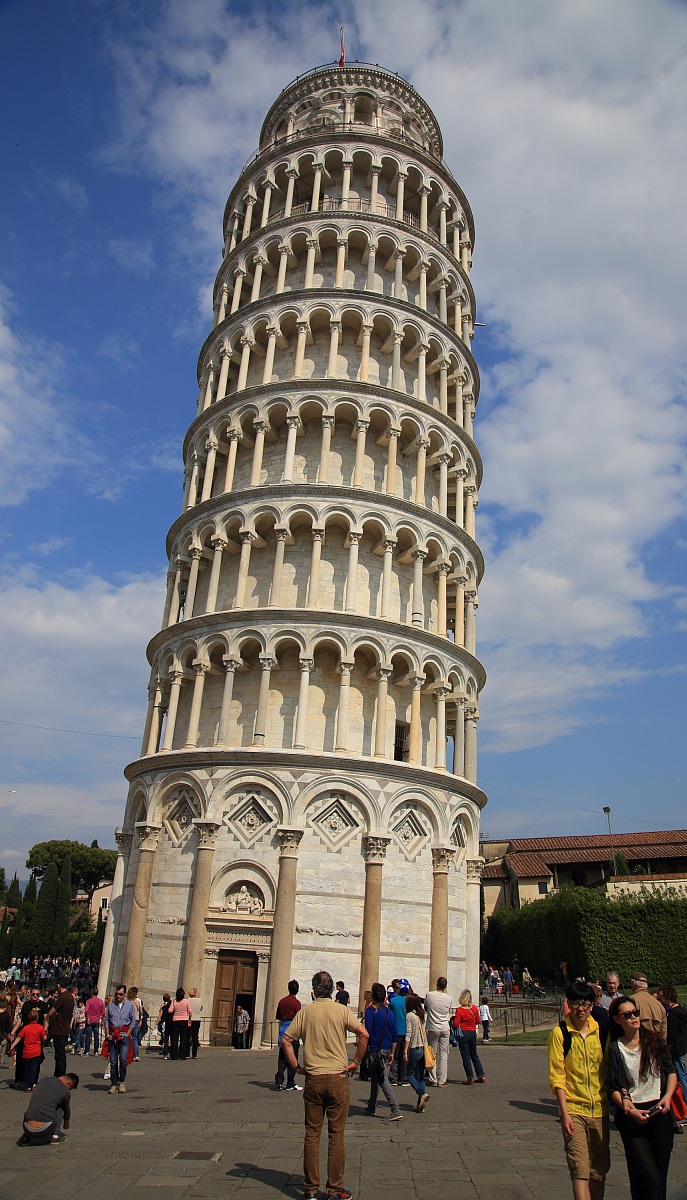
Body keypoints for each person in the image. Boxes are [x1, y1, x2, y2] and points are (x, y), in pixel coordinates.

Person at [281, 969, 369, 1200]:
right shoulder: (341, 1010)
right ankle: (335, 1189)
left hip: (313, 1079)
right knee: (336, 1135)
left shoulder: (305, 1012)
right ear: (332, 990)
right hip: (338, 1078)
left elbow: (286, 1040)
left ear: (312, 990)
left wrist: (297, 1067)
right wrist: (355, 1063)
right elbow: (364, 1035)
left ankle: (310, 1190)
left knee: (312, 1134)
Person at [608, 994, 676, 1200]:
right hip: (633, 1117)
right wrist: (629, 1109)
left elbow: (671, 1072)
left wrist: (668, 1097)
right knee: (648, 1177)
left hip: (660, 1112)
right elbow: (613, 1087)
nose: (633, 1017)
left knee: (659, 1178)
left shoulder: (653, 1040)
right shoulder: (615, 1048)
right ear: (617, 1019)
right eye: (627, 1015)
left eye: (635, 1013)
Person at [548, 981, 609, 1200]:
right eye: (575, 1003)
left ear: (592, 1005)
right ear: (568, 1004)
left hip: (600, 1110)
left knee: (599, 1170)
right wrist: (564, 1113)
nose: (580, 1008)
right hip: (574, 1109)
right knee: (580, 1168)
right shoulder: (560, 1034)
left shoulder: (601, 1032)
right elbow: (557, 1075)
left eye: (584, 1003)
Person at [363, 982, 401, 1120]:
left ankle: (395, 1108)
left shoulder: (370, 1011)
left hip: (375, 1049)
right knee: (375, 1077)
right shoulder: (389, 1012)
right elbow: (394, 1033)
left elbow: (368, 1032)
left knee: (382, 1079)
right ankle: (371, 1106)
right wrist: (392, 1052)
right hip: (386, 1049)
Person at [18, 1071, 79, 1145]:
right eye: (70, 1088)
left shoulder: (43, 1080)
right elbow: (67, 1110)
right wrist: (66, 1123)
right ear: (68, 1083)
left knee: (38, 1102)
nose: (69, 1090)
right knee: (61, 1106)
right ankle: (55, 1137)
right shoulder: (65, 1091)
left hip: (27, 1127)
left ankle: (25, 1138)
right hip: (45, 1129)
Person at [656, 983, 687, 1100]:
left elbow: (670, 1033)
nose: (660, 999)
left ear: (667, 996)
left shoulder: (673, 1014)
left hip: (675, 1049)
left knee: (680, 1076)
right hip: (682, 1047)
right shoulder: (680, 1010)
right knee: (683, 1074)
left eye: (661, 996)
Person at [105, 984, 136, 1093]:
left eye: (120, 994)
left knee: (123, 1060)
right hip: (113, 1036)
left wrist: (128, 1033)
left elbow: (133, 1020)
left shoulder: (129, 1005)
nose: (118, 996)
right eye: (117, 994)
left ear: (125, 995)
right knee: (113, 1062)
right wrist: (107, 1034)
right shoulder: (111, 1006)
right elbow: (107, 1021)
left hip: (124, 1036)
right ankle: (113, 1084)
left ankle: (121, 1082)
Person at [424, 976, 453, 1087]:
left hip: (433, 1027)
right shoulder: (449, 998)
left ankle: (433, 1079)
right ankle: (442, 1080)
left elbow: (426, 1008)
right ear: (445, 986)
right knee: (444, 1054)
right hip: (445, 1027)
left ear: (437, 984)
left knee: (432, 1053)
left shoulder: (430, 995)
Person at [10, 1007, 47, 1091]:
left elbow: (18, 1038)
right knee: (34, 1069)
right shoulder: (40, 1027)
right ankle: (32, 1084)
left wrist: (12, 1047)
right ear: (37, 1018)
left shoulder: (25, 1028)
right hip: (36, 1052)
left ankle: (27, 1085)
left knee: (26, 1069)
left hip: (26, 1052)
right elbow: (44, 1038)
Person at [453, 989, 486, 1084]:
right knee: (474, 1054)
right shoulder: (474, 1008)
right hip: (472, 1032)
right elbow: (478, 1021)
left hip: (463, 1033)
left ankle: (470, 1078)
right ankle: (481, 1075)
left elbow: (456, 1024)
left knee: (466, 1056)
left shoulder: (459, 1010)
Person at [403, 993, 429, 1113]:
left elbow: (408, 1034)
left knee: (409, 1074)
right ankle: (420, 1104)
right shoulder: (421, 1014)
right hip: (423, 1048)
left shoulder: (409, 1015)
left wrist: (405, 1051)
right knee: (420, 1077)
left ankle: (422, 1093)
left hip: (414, 1047)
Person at [275, 980, 302, 1091]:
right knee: (292, 1057)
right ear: (297, 990)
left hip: (283, 1030)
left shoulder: (282, 1001)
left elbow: (278, 1016)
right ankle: (290, 1082)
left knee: (282, 1057)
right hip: (292, 1032)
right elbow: (298, 1019)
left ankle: (279, 1081)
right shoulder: (296, 1003)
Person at [46, 978, 74, 1077]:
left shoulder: (63, 998)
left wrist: (51, 1014)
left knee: (59, 1055)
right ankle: (58, 1073)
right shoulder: (70, 997)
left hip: (59, 1028)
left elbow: (51, 1012)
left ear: (58, 986)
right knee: (60, 1053)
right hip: (65, 1027)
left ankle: (60, 1074)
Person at [630, 972, 667, 1040]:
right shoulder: (659, 1005)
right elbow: (663, 1032)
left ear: (633, 983)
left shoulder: (630, 1001)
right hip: (656, 1046)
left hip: (639, 1046)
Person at [388, 978, 409, 1086]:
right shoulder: (409, 1001)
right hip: (406, 1031)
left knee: (394, 1055)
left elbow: (390, 1016)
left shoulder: (393, 1001)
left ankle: (393, 1077)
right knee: (404, 1054)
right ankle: (404, 1077)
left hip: (395, 1031)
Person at [169, 987, 193, 1059]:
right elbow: (190, 1011)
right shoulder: (186, 1001)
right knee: (183, 1038)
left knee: (175, 1038)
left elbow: (170, 1010)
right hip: (184, 1020)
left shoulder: (174, 1001)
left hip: (175, 1020)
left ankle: (174, 1055)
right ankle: (182, 1055)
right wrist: (189, 1019)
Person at [84, 989, 105, 1055]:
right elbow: (103, 1012)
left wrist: (87, 1019)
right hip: (97, 1020)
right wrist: (102, 1021)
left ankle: (86, 1051)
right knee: (96, 1036)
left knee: (88, 1036)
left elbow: (87, 1011)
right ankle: (96, 1051)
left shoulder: (88, 1001)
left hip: (90, 1020)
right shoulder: (101, 1002)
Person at [127, 986, 143, 1061]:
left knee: (127, 1037)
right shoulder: (138, 1000)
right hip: (136, 1020)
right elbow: (140, 1011)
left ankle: (127, 1053)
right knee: (134, 1038)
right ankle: (136, 1055)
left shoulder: (127, 1001)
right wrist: (140, 1020)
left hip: (128, 1020)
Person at [188, 988, 203, 1060]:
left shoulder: (187, 1000)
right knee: (195, 1037)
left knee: (187, 1036)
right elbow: (201, 1008)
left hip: (189, 1019)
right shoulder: (199, 1000)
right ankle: (194, 1054)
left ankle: (186, 1053)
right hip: (197, 1019)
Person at [157, 993, 172, 1059]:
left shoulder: (163, 1006)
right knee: (171, 1037)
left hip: (164, 1022)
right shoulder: (171, 1005)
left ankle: (165, 1053)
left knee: (165, 1037)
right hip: (171, 1022)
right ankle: (171, 1051)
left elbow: (160, 1014)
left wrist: (157, 1022)